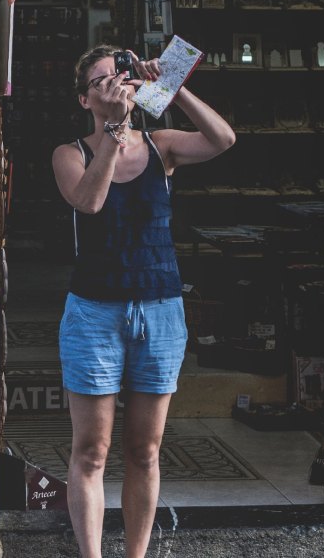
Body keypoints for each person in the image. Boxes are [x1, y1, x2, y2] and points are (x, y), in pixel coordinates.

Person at [52, 45, 236, 558]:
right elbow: (90, 201)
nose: (116, 84)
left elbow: (223, 139)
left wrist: (172, 86)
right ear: (86, 99)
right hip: (94, 313)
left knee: (145, 450)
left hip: (160, 311)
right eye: (102, 80)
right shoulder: (71, 152)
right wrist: (113, 130)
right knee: (91, 452)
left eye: (122, 75)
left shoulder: (161, 146)